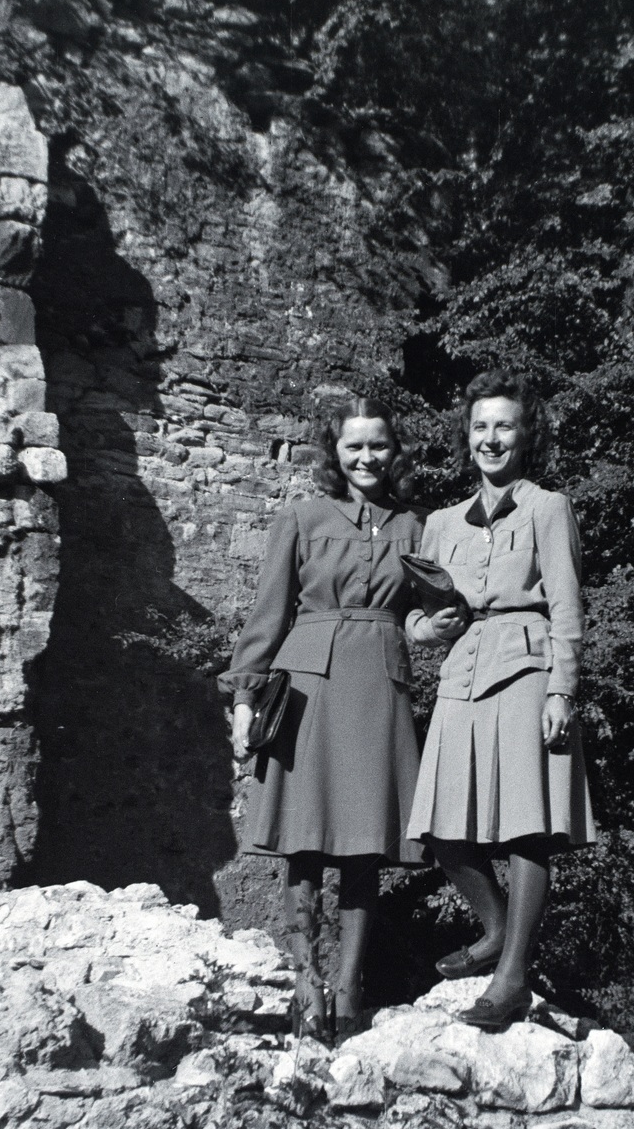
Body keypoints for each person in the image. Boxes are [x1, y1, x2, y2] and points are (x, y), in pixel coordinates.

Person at [221, 396, 424, 1045]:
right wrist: (245, 700)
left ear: (394, 452)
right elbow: (268, 613)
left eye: (378, 446)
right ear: (335, 454)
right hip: (309, 683)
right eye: (353, 446)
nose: (366, 458)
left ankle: (351, 989)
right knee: (305, 845)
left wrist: (431, 627)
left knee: (367, 848)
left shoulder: (414, 528)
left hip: (381, 684)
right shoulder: (302, 518)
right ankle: (306, 984)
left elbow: (425, 614)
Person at [405, 369, 595, 1029]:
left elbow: (568, 607)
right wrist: (427, 628)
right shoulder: (439, 524)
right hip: (461, 670)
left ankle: (512, 975)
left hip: (527, 665)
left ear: (524, 436)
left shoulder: (548, 508)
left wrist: (561, 689)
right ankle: (492, 933)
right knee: (440, 828)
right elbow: (417, 620)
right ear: (467, 436)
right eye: (480, 426)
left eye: (503, 426)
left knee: (526, 824)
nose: (491, 438)